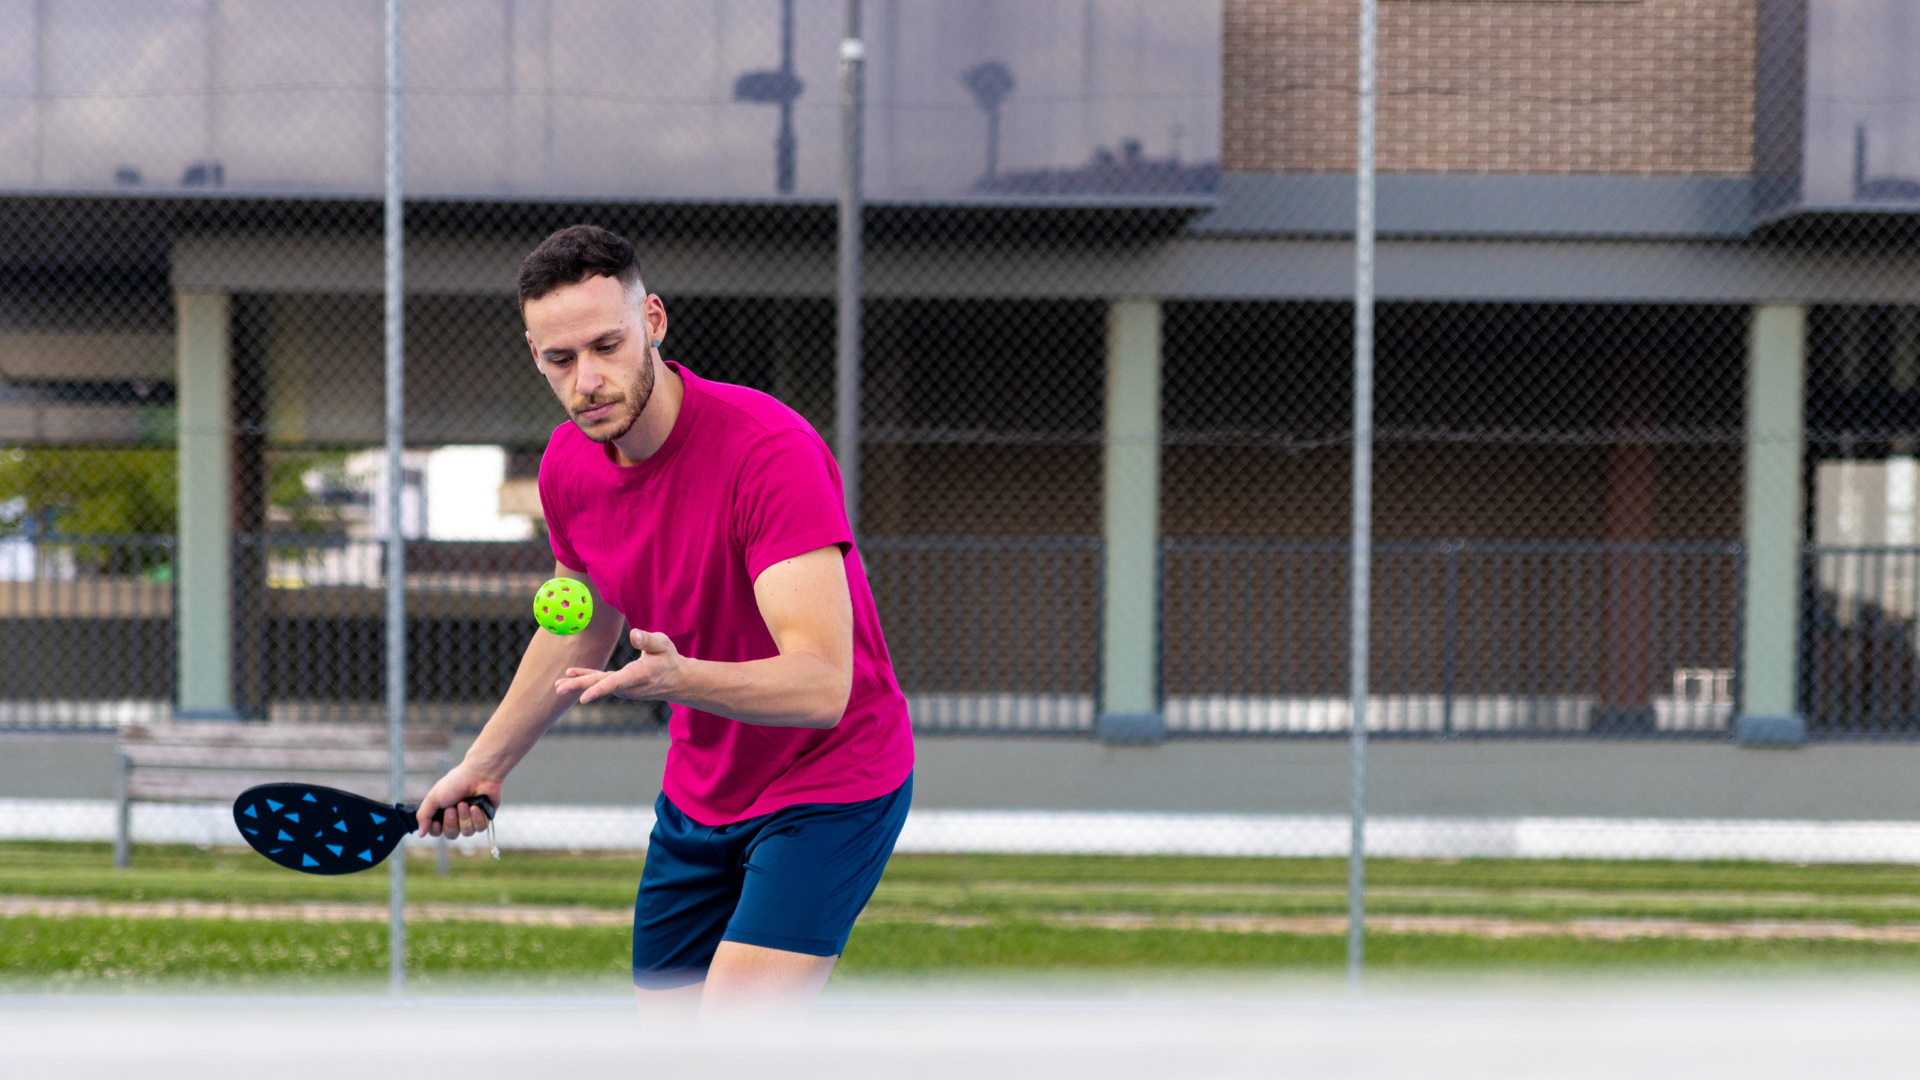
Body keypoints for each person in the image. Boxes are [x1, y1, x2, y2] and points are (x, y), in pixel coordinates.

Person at [416, 224, 916, 1022]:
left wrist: (682, 679)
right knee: (669, 1046)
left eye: (607, 345)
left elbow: (824, 682)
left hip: (829, 780)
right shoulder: (565, 465)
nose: (588, 380)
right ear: (534, 354)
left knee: (730, 1040)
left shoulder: (768, 452)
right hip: (699, 790)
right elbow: (581, 625)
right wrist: (486, 764)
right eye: (560, 359)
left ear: (653, 321)